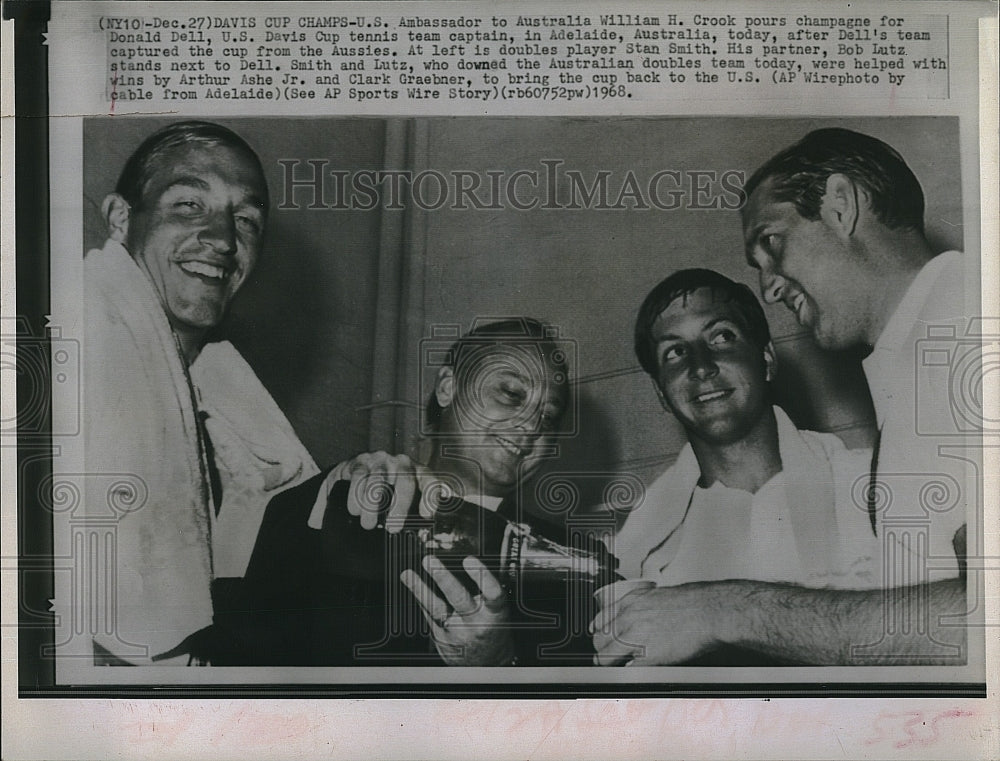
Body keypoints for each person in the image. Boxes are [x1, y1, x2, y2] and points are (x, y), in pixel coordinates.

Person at [593, 128, 971, 666]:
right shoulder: (920, 354)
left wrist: (719, 612)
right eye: (674, 353)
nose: (770, 287)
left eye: (771, 242)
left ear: (840, 205)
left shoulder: (968, 332)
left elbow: (987, 623)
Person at [236, 318, 606, 666]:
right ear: (448, 387)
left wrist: (498, 665)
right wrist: (331, 490)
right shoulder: (337, 504)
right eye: (510, 394)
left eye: (548, 417)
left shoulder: (581, 565)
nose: (530, 425)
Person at [83, 121, 318, 665]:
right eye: (189, 205)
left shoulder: (217, 396)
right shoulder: (68, 347)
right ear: (121, 219)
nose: (224, 240)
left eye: (246, 220)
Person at [614, 269, 878, 596]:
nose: (701, 367)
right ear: (660, 394)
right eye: (675, 352)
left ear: (766, 358)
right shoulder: (638, 551)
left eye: (721, 337)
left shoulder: (869, 486)